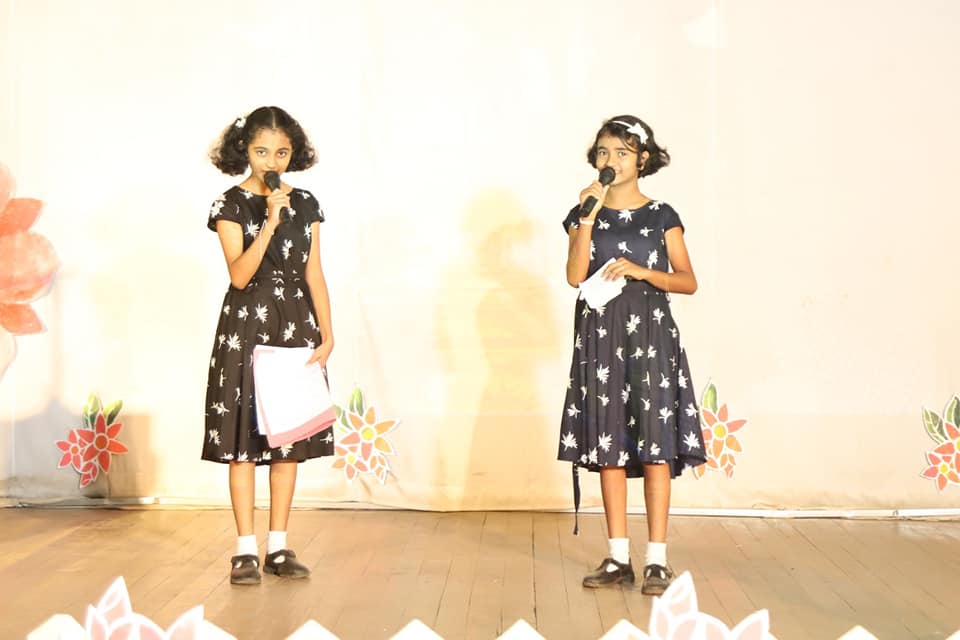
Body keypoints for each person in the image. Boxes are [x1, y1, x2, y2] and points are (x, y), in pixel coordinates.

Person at [558, 115, 706, 595]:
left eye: (622, 153)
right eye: (604, 152)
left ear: (642, 159)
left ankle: (657, 559)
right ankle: (617, 556)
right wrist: (587, 217)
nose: (611, 161)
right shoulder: (583, 212)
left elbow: (687, 280)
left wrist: (643, 272)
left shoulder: (661, 215)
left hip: (652, 339)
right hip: (601, 338)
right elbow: (575, 276)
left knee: (656, 445)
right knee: (610, 446)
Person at [202, 106, 334, 585]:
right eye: (261, 152)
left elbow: (313, 272)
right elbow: (240, 275)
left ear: (293, 152)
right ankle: (244, 551)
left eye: (281, 152)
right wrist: (271, 224)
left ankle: (278, 546)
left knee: (287, 444)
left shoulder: (308, 203)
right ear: (245, 151)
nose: (271, 161)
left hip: (294, 325)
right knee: (242, 444)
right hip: (245, 328)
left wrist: (328, 333)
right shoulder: (229, 205)